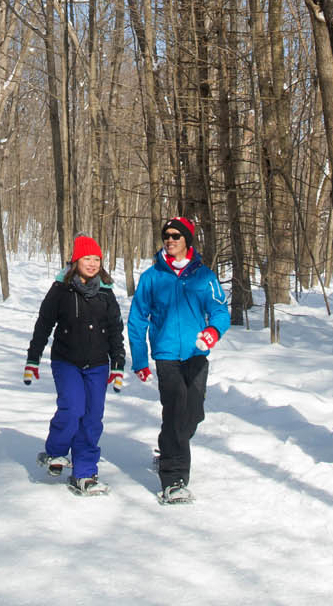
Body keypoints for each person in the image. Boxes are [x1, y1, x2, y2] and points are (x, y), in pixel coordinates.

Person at [127, 215, 230, 505]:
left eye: (175, 236)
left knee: (193, 413)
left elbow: (221, 311)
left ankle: (168, 446)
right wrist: (140, 359)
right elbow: (137, 320)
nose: (170, 240)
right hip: (166, 354)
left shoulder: (204, 276)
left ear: (188, 240)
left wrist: (212, 332)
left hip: (196, 354)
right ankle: (173, 478)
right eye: (166, 236)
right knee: (175, 409)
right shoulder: (152, 277)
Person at [24, 235, 125, 496]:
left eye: (96, 259)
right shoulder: (61, 289)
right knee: (72, 408)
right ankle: (55, 452)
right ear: (76, 260)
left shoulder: (105, 291)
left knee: (92, 418)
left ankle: (84, 472)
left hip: (98, 364)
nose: (92, 264)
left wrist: (118, 362)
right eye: (87, 258)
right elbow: (44, 323)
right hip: (66, 360)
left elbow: (115, 328)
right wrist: (33, 358)